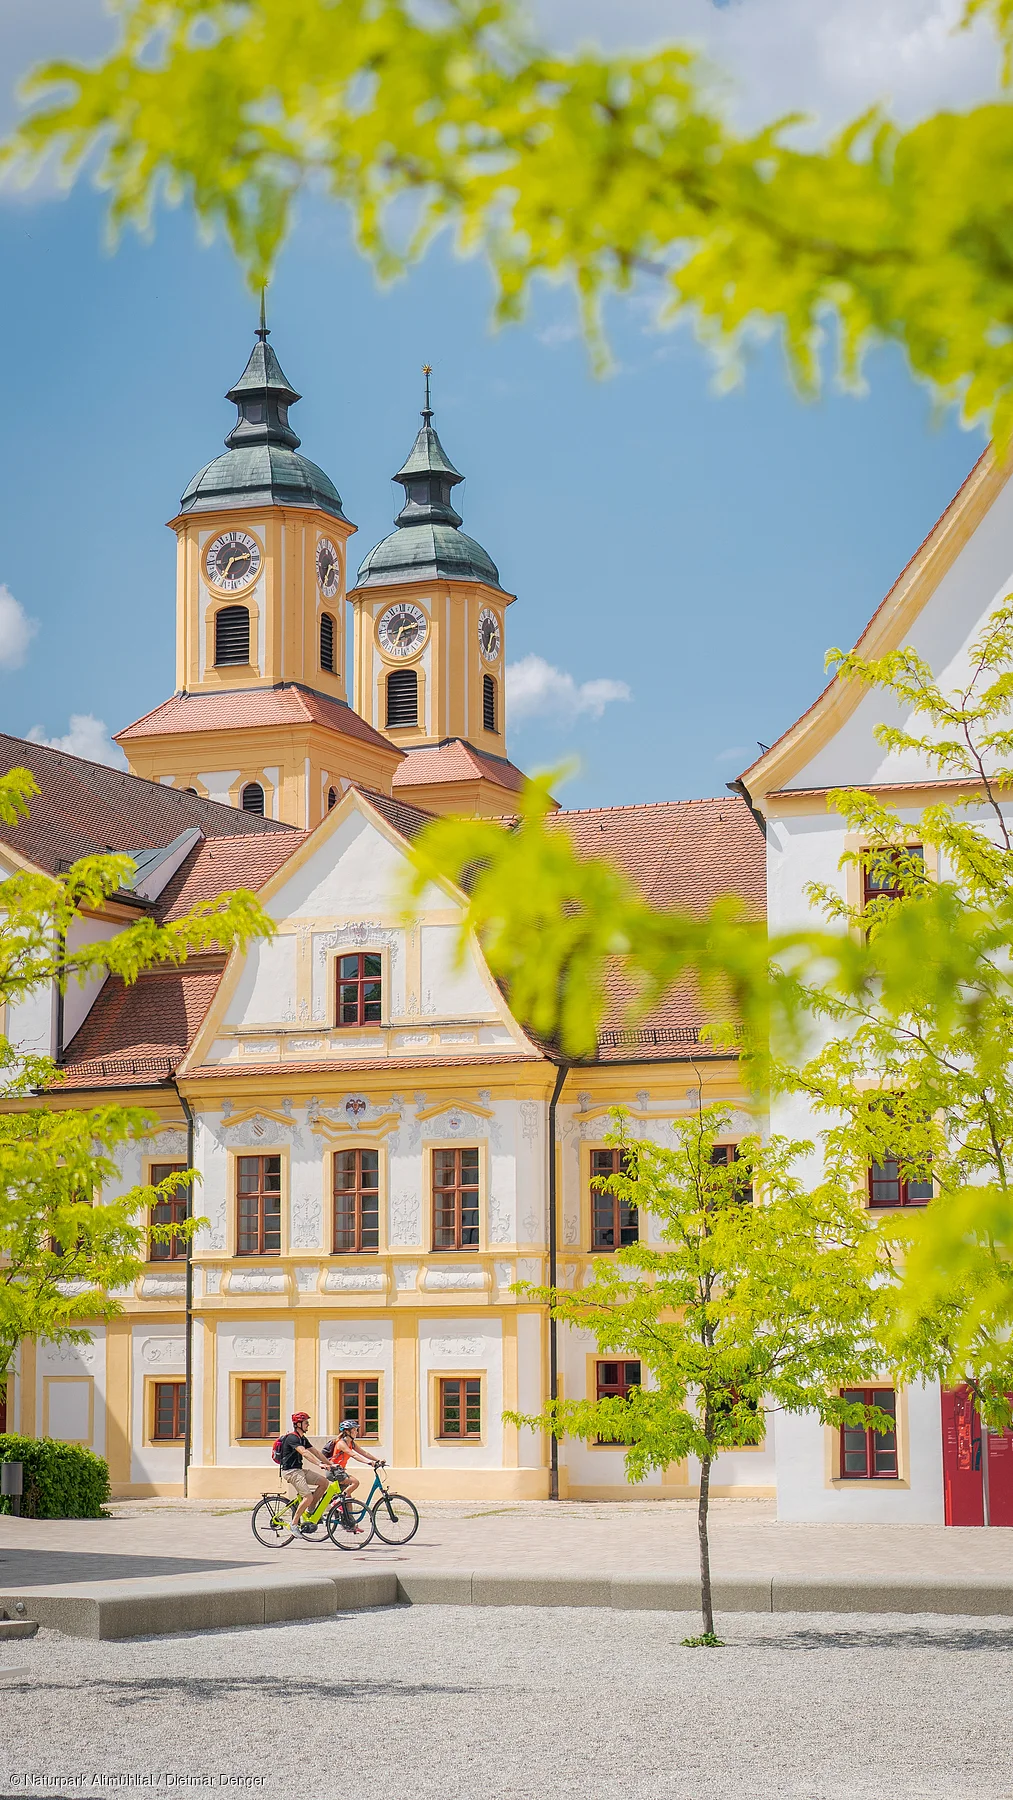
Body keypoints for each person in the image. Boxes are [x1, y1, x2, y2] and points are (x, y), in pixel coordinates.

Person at [276, 1411, 334, 1534]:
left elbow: (316, 1452)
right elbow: (304, 1453)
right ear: (298, 1424)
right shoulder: (292, 1438)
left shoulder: (302, 1438)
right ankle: (294, 1524)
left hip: (299, 1470)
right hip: (291, 1472)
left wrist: (330, 1465)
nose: (308, 1425)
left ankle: (311, 1510)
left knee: (324, 1482)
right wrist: (319, 1464)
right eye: (306, 1422)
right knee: (308, 1497)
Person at [326, 1418, 383, 1500]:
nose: (356, 1432)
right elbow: (353, 1455)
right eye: (354, 1430)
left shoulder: (351, 1443)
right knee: (355, 1482)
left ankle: (346, 1511)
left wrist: (377, 1460)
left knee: (348, 1498)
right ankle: (338, 1501)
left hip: (340, 1471)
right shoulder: (341, 1443)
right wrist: (368, 1462)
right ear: (347, 1432)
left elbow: (364, 1453)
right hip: (334, 1471)